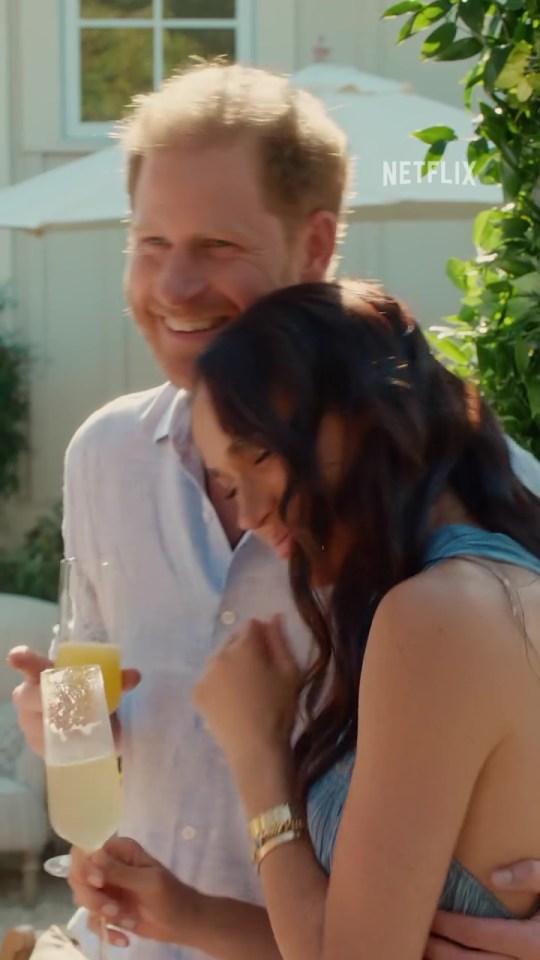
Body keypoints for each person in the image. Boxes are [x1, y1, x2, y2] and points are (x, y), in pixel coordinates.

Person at [6, 63, 540, 960]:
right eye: (149, 242)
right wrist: (63, 728)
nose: (172, 286)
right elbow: (89, 677)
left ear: (316, 242)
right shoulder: (103, 457)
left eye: (216, 245)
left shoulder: (469, 488)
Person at [70, 280, 540, 960]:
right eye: (228, 483)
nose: (250, 512)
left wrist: (260, 758)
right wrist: (189, 915)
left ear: (370, 411)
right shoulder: (494, 580)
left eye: (261, 455)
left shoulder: (435, 618)